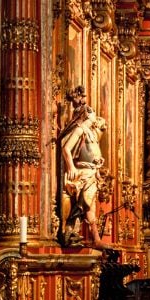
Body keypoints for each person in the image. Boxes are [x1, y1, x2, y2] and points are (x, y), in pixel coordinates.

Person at [60, 90, 112, 247]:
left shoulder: (91, 133)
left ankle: (91, 237)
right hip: (82, 173)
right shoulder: (80, 129)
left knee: (89, 205)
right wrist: (70, 166)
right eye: (91, 114)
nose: (93, 117)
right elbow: (66, 148)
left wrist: (97, 161)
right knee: (86, 205)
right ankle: (87, 236)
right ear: (84, 115)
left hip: (91, 172)